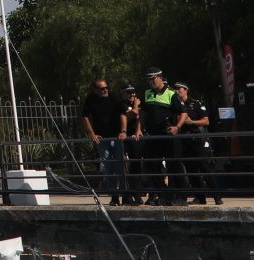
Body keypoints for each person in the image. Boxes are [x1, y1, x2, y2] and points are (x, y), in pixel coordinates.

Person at [80, 79, 129, 205]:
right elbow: (85, 116)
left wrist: (123, 130)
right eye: (102, 89)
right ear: (95, 90)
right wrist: (91, 133)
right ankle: (114, 196)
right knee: (108, 167)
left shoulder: (113, 97)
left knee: (120, 166)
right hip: (102, 138)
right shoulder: (91, 99)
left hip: (117, 136)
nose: (105, 90)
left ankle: (125, 194)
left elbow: (123, 113)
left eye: (106, 87)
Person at [172, 83, 221, 205]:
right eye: (175, 90)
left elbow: (206, 121)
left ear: (186, 90)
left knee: (205, 168)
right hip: (184, 141)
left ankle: (217, 196)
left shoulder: (195, 103)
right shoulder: (175, 105)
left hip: (197, 140)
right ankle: (199, 197)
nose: (177, 91)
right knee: (191, 170)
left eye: (179, 89)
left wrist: (192, 122)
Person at [139, 69, 180, 205]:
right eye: (148, 80)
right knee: (153, 165)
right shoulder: (147, 93)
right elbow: (143, 113)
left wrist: (177, 127)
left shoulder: (171, 94)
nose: (150, 82)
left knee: (172, 165)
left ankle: (175, 195)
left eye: (152, 79)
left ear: (160, 78)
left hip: (167, 134)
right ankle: (162, 194)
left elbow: (182, 112)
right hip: (153, 135)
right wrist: (139, 129)